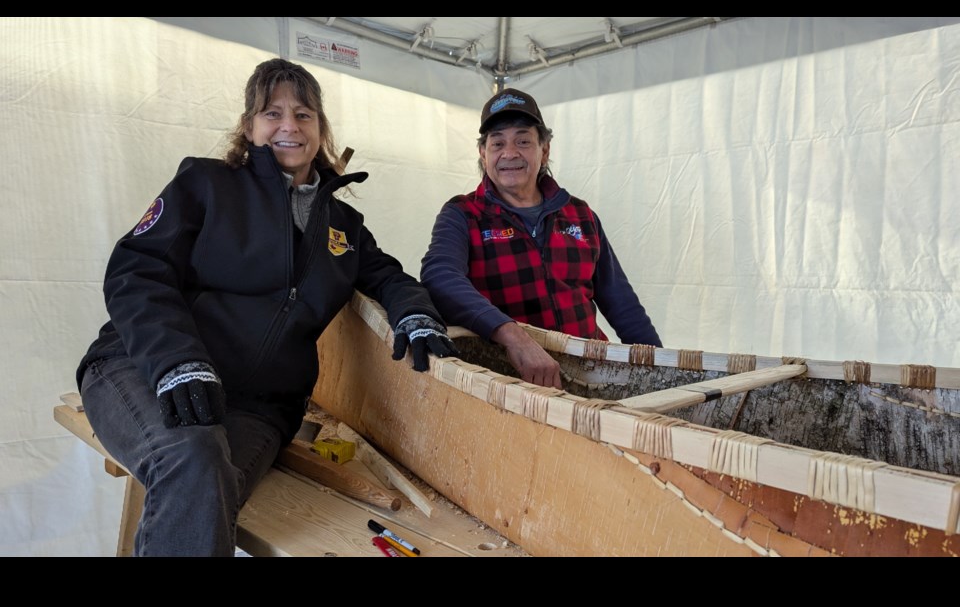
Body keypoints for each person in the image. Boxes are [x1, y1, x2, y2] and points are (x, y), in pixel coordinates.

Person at [76, 58, 456, 557]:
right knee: (192, 461)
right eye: (272, 113)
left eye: (303, 114)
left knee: (207, 490)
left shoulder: (343, 224)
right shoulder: (206, 184)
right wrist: (177, 363)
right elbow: (136, 271)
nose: (289, 126)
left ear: (320, 129)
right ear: (249, 127)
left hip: (258, 406)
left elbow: (388, 276)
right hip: (144, 368)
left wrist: (415, 312)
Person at [420, 88, 660, 389]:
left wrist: (660, 369)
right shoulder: (463, 214)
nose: (510, 153)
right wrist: (512, 335)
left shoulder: (580, 215)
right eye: (498, 143)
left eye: (523, 141)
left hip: (588, 374)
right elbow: (439, 277)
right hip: (508, 379)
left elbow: (623, 305)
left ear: (544, 150)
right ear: (483, 153)